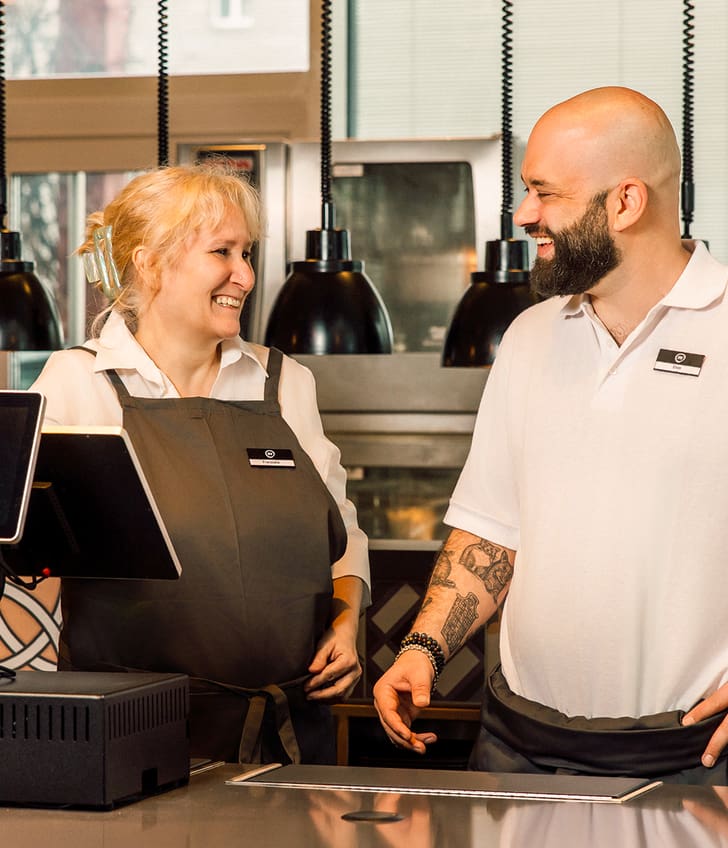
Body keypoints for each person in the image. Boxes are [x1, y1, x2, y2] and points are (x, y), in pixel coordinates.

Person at [373, 86, 728, 785]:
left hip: (695, 754)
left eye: (545, 192)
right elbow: (491, 529)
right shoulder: (531, 337)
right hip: (519, 743)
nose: (524, 214)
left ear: (625, 202)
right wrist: (423, 649)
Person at [31, 161, 370, 765]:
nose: (244, 275)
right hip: (130, 735)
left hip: (283, 733)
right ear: (151, 262)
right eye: (223, 252)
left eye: (247, 253)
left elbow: (339, 533)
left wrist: (347, 626)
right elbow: (31, 548)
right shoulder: (79, 381)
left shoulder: (284, 382)